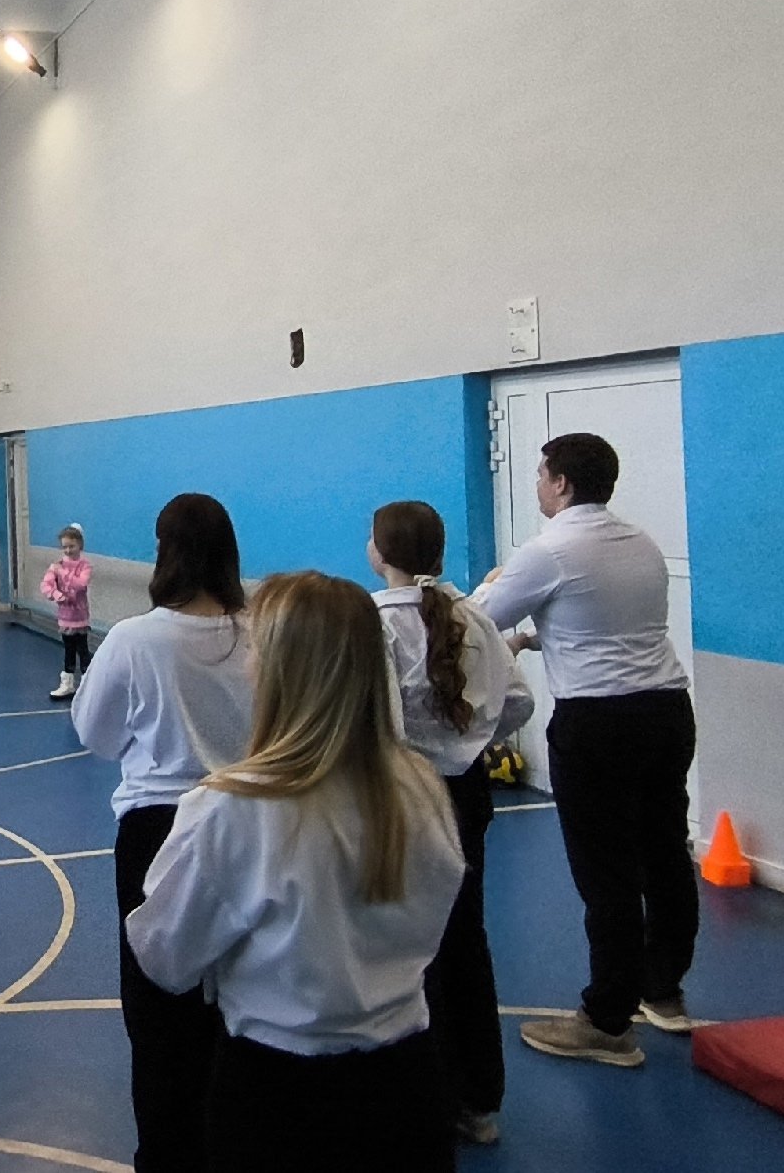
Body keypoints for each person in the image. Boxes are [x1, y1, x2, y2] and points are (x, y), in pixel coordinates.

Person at [125, 572, 467, 1173]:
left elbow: (165, 955)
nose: (248, 664)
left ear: (282, 670)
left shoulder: (233, 808)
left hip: (278, 1094)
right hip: (407, 1082)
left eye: (257, 649)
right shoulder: (421, 788)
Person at [475, 432, 700, 1067]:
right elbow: (604, 624)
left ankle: (606, 1021)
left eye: (542, 475)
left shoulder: (548, 550)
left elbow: (475, 621)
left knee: (607, 874)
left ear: (562, 483)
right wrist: (537, 638)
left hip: (598, 726)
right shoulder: (640, 543)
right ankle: (663, 990)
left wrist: (494, 586)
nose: (538, 485)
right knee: (664, 853)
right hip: (666, 712)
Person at [70, 492, 255, 1172]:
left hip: (158, 830)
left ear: (166, 553)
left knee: (157, 1001)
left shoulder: (136, 639)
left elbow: (94, 732)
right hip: (249, 823)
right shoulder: (258, 633)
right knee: (243, 986)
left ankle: (170, 1151)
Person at [371, 501, 535, 1144]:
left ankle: (424, 1098)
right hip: (465, 794)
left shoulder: (376, 623)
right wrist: (470, 742)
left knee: (409, 945)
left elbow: (380, 722)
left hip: (404, 796)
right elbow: (517, 700)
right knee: (465, 934)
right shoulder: (474, 617)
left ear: (380, 552)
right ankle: (477, 1095)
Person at [41, 523, 94, 702]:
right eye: (65, 547)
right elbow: (46, 585)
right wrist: (57, 595)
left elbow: (81, 584)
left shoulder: (84, 566)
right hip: (65, 618)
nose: (68, 550)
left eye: (72, 546)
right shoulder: (56, 566)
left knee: (83, 650)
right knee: (68, 650)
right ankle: (67, 684)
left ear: (80, 545)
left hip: (80, 617)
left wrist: (63, 573)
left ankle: (89, 685)